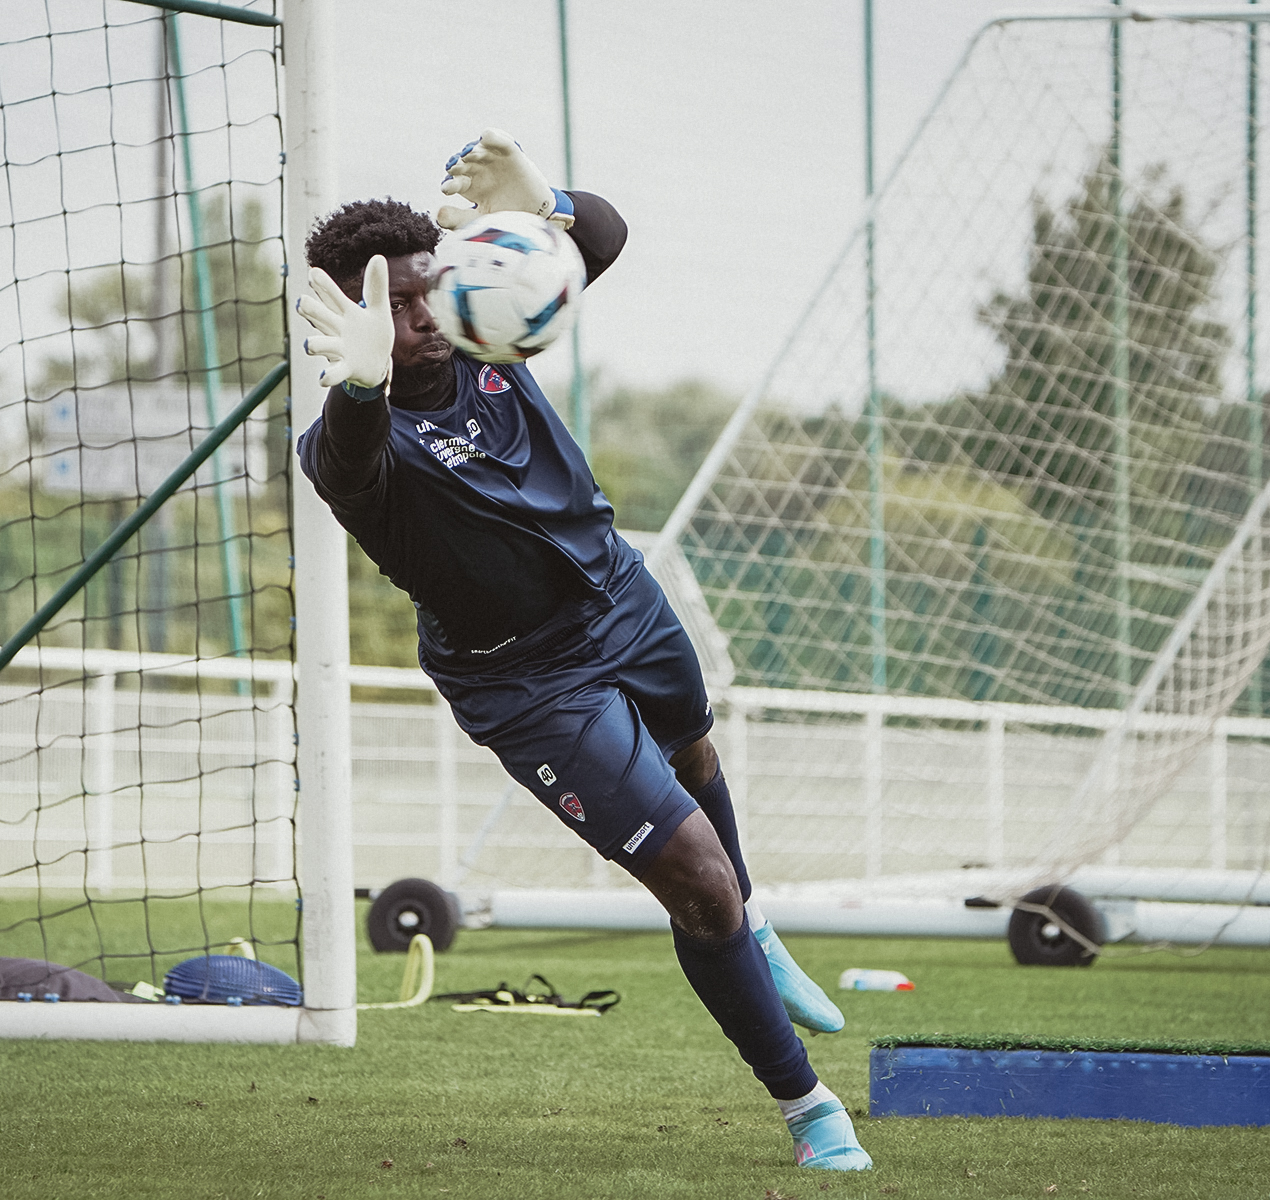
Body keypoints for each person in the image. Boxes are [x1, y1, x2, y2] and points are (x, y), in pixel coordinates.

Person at [294, 129, 872, 1173]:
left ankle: (756, 937)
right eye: (393, 307)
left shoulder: (482, 328)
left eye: (426, 294)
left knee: (697, 760)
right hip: (524, 678)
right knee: (696, 886)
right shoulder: (349, 441)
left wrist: (548, 202)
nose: (421, 320)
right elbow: (345, 464)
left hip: (619, 592)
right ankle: (807, 1107)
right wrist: (363, 387)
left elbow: (598, 238)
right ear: (350, 316)